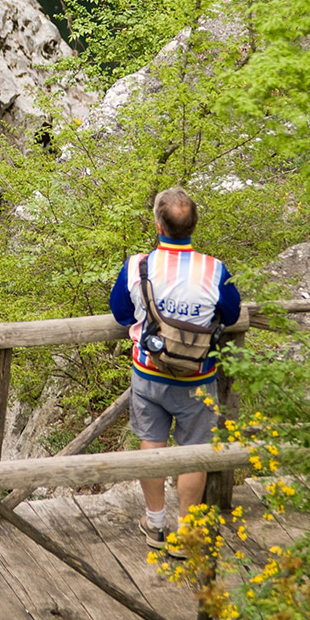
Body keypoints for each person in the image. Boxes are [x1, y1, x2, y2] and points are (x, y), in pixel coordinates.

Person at [109, 187, 241, 555]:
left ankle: (154, 524)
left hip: (149, 373)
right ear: (194, 226)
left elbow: (121, 312)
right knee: (193, 453)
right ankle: (186, 535)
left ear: (157, 225)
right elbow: (230, 314)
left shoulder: (138, 266)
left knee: (151, 446)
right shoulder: (214, 269)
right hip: (198, 378)